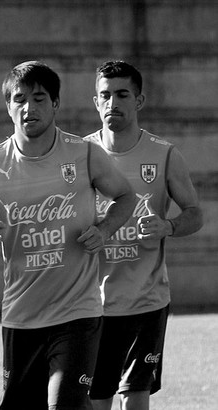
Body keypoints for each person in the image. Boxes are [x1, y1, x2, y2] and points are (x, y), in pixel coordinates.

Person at [0, 60, 136, 410]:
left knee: (64, 403)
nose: (29, 108)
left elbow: (125, 196)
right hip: (21, 316)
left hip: (78, 312)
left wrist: (105, 229)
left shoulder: (84, 154)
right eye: (19, 99)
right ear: (8, 107)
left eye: (39, 98)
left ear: (55, 104)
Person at [84, 61, 203, 410]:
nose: (112, 104)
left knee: (135, 399)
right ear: (95, 102)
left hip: (146, 302)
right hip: (90, 304)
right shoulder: (80, 155)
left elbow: (195, 214)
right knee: (96, 401)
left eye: (122, 95)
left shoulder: (164, 155)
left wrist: (168, 226)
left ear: (139, 101)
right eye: (104, 96)